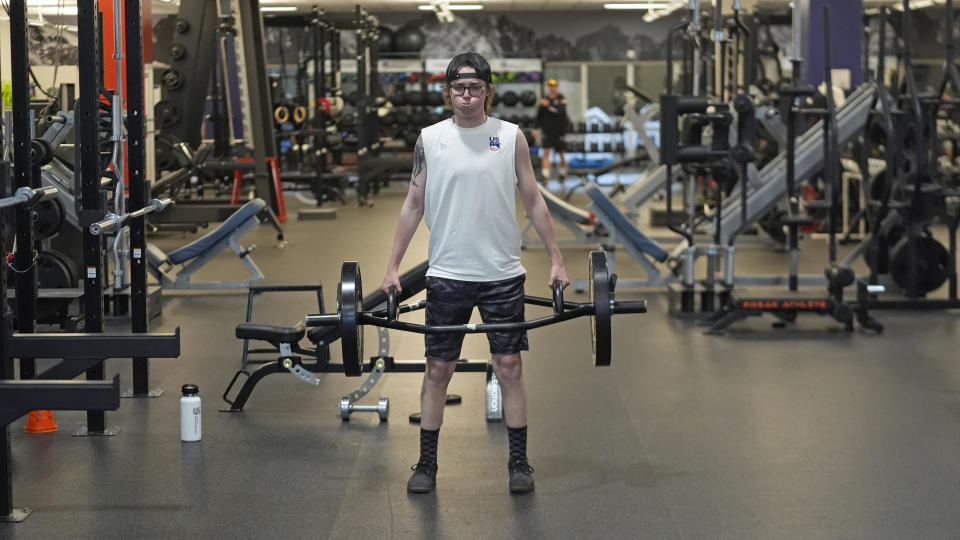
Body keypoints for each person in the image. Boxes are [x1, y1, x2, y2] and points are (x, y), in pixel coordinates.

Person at [379, 52, 570, 494]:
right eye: (458, 89)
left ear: (487, 91)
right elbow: (412, 205)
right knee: (438, 369)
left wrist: (557, 258)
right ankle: (426, 465)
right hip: (447, 272)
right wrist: (391, 267)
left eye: (475, 88)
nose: (466, 96)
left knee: (509, 366)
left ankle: (519, 463)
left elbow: (534, 200)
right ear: (449, 92)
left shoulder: (511, 136)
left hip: (502, 272)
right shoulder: (429, 139)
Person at [535, 78, 569, 180]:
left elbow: (559, 112)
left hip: (559, 131)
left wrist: (548, 105)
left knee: (561, 153)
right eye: (550, 87)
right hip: (547, 131)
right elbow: (539, 115)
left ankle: (562, 173)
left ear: (556, 87)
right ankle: (545, 175)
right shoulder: (544, 99)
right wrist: (536, 128)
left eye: (554, 86)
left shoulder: (562, 98)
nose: (552, 88)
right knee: (546, 152)